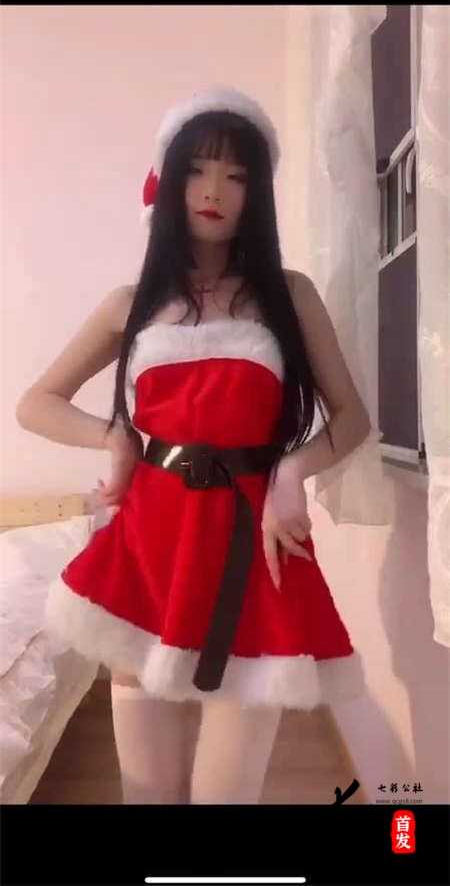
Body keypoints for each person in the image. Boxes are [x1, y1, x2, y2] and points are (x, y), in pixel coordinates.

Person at [16, 86, 371, 804]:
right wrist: (115, 437)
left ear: (256, 195)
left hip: (254, 544)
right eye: (197, 170)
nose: (214, 191)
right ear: (170, 179)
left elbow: (352, 418)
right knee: (148, 794)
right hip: (151, 540)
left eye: (236, 175)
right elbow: (36, 403)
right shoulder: (130, 303)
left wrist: (292, 472)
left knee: (225, 796)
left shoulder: (290, 295)